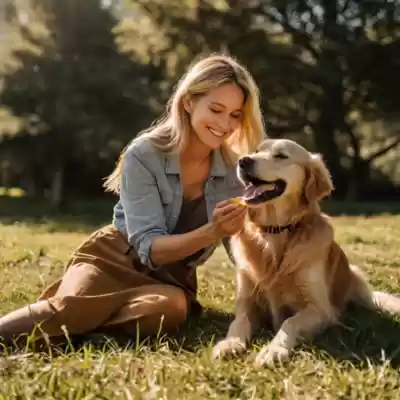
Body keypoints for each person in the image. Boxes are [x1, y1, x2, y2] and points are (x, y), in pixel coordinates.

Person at [0, 54, 265, 345]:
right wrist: (212, 231)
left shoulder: (234, 173)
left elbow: (246, 250)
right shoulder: (145, 153)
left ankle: (85, 329)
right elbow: (150, 248)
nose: (225, 124)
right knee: (69, 308)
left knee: (171, 309)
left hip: (170, 281)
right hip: (113, 259)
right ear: (188, 102)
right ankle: (74, 320)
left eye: (235, 115)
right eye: (216, 110)